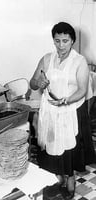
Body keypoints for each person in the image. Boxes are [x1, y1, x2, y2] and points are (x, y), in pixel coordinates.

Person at [30, 22, 96, 199]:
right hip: (49, 111)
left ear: (72, 41)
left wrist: (65, 101)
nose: (61, 45)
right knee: (51, 145)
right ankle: (58, 180)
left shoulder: (79, 61)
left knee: (68, 149)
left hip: (70, 110)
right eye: (57, 40)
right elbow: (33, 82)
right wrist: (39, 83)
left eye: (65, 41)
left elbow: (82, 89)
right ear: (53, 40)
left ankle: (70, 182)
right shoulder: (46, 58)